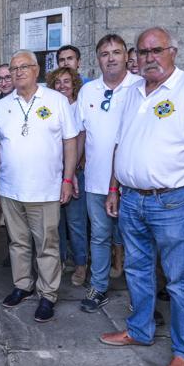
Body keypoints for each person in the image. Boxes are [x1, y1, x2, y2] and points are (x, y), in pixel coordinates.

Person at [101, 27, 184, 366]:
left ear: (173, 51)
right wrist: (114, 188)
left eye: (156, 50)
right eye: (142, 52)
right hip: (131, 200)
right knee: (138, 271)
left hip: (172, 202)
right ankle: (139, 330)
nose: (149, 57)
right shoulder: (132, 93)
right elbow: (120, 145)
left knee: (179, 281)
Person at [0, 49, 78, 323]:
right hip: (10, 189)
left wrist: (67, 179)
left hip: (46, 189)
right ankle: (23, 284)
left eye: (23, 67)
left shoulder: (56, 100)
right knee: (18, 242)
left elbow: (70, 142)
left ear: (36, 70)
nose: (18, 72)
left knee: (47, 244)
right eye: (13, 68)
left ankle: (48, 294)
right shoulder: (2, 106)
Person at [75, 34, 142, 311]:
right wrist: (70, 174)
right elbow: (80, 134)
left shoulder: (140, 87)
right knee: (99, 237)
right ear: (97, 58)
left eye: (116, 52)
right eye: (105, 53)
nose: (111, 58)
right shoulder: (88, 91)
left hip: (132, 183)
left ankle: (140, 297)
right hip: (95, 180)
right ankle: (99, 287)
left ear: (127, 55)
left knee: (136, 241)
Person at [45, 66, 87, 287]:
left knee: (76, 222)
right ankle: (59, 261)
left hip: (72, 173)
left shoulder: (77, 107)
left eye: (66, 82)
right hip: (52, 172)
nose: (62, 86)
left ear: (74, 85)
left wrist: (70, 174)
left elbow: (78, 139)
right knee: (56, 223)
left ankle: (81, 263)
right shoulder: (50, 106)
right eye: (57, 82)